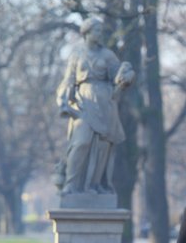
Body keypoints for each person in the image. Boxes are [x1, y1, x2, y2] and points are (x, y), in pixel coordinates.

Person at [54, 17, 134, 195]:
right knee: (81, 142)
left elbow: (117, 77)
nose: (100, 34)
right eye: (97, 30)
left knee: (102, 147)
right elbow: (69, 79)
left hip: (105, 101)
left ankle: (94, 185)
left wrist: (126, 76)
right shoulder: (77, 54)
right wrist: (63, 98)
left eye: (101, 31)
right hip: (84, 100)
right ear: (87, 32)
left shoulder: (108, 55)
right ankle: (71, 184)